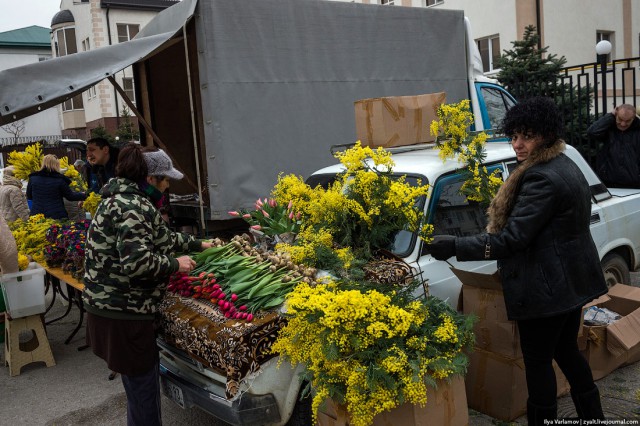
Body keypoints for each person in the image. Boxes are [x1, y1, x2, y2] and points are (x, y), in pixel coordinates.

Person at [426, 97, 608, 425]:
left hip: (546, 290)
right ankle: (593, 417)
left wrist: (454, 244)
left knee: (538, 364)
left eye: (527, 136)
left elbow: (512, 239)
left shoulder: (542, 177)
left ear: (547, 134)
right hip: (567, 283)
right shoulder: (564, 164)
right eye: (514, 136)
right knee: (566, 351)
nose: (517, 144)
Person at [82, 143, 213, 426]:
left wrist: (201, 244)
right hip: (124, 316)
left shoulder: (123, 200)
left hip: (109, 309)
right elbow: (138, 264)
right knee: (144, 396)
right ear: (150, 179)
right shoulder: (133, 207)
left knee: (138, 391)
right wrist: (176, 264)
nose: (167, 187)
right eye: (165, 180)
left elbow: (162, 237)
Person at [587, 103, 640, 188]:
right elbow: (592, 132)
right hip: (609, 183)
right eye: (620, 119)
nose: (623, 124)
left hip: (635, 184)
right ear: (616, 114)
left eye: (627, 121)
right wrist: (610, 116)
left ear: (634, 118)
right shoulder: (610, 127)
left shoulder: (638, 130)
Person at [26, 154, 86, 220]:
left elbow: (29, 196)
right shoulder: (60, 180)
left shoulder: (33, 178)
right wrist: (85, 195)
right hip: (56, 215)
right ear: (56, 165)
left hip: (37, 215)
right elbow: (70, 196)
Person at [140, 147, 178, 223]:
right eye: (167, 180)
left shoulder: (147, 196)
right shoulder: (138, 208)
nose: (168, 186)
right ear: (151, 179)